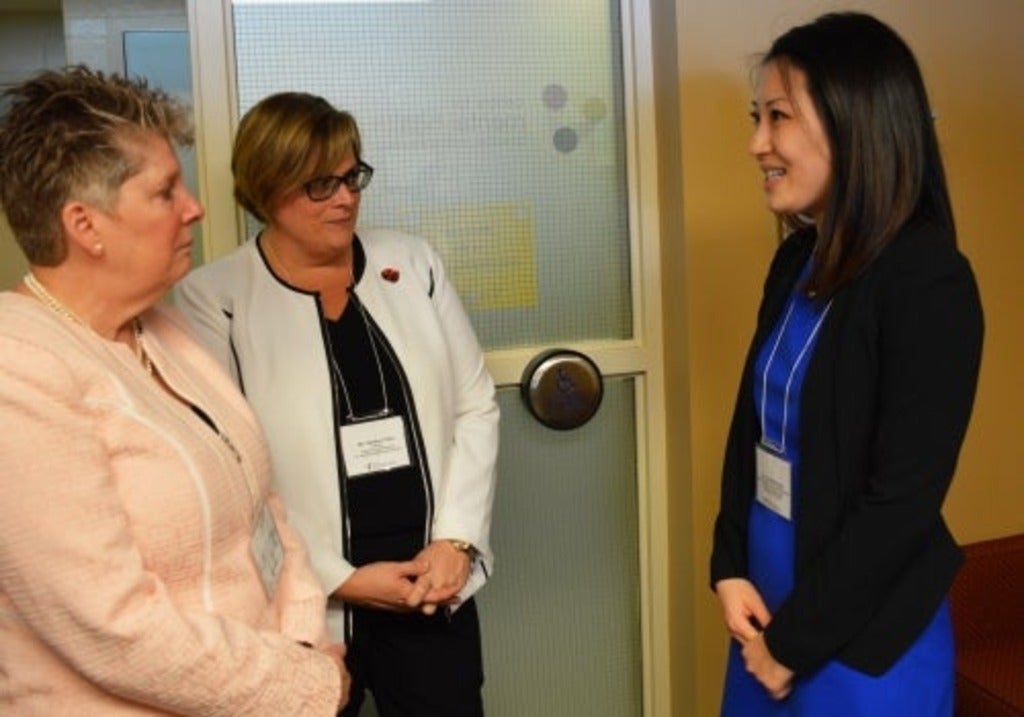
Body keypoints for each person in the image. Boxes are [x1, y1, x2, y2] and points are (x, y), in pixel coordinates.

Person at [0, 66, 348, 715]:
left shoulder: (161, 326)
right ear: (86, 225)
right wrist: (303, 685)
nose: (195, 206)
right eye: (166, 191)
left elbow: (262, 505)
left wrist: (305, 636)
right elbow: (112, 625)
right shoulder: (17, 369)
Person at [175, 92, 500, 716]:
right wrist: (337, 577)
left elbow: (475, 404)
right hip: (305, 598)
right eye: (321, 184)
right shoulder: (214, 299)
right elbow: (227, 466)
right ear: (266, 188)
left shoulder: (412, 262)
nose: (346, 197)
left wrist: (456, 542)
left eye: (353, 177)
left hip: (430, 578)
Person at [710, 12, 983, 716]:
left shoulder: (928, 280)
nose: (756, 144)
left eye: (777, 118)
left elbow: (902, 502)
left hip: (857, 639)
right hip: (765, 607)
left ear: (856, 122)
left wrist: (791, 645)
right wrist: (729, 566)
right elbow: (754, 427)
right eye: (756, 117)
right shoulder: (798, 258)